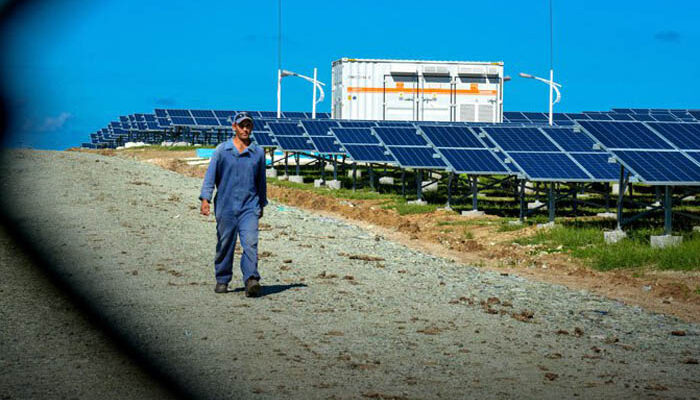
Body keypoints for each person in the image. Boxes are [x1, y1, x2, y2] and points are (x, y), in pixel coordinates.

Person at [199, 112, 267, 297]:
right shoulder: (222, 150)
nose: (245, 129)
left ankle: (251, 279)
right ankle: (222, 279)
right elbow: (210, 176)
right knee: (225, 243)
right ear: (234, 127)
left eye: (248, 125)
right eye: (242, 125)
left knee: (251, 243)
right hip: (226, 206)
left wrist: (261, 203)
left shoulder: (258, 153)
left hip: (249, 207)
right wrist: (205, 199)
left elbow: (261, 181)